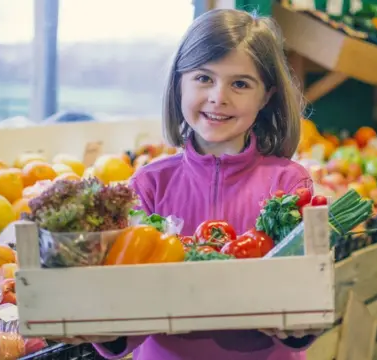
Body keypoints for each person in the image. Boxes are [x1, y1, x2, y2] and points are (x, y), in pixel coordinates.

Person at [57, 8, 323, 359]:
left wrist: (299, 330)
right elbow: (126, 303)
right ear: (179, 83)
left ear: (267, 96)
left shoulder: (289, 183)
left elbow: (298, 301)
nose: (218, 97)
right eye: (203, 78)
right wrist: (106, 331)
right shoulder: (149, 185)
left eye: (240, 84)